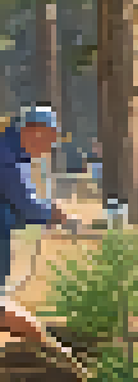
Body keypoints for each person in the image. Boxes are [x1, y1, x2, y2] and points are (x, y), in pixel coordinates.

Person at [1, 106, 81, 292]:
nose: (49, 147)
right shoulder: (7, 156)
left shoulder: (15, 150)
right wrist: (55, 215)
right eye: (49, 139)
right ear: (33, 131)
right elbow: (25, 205)